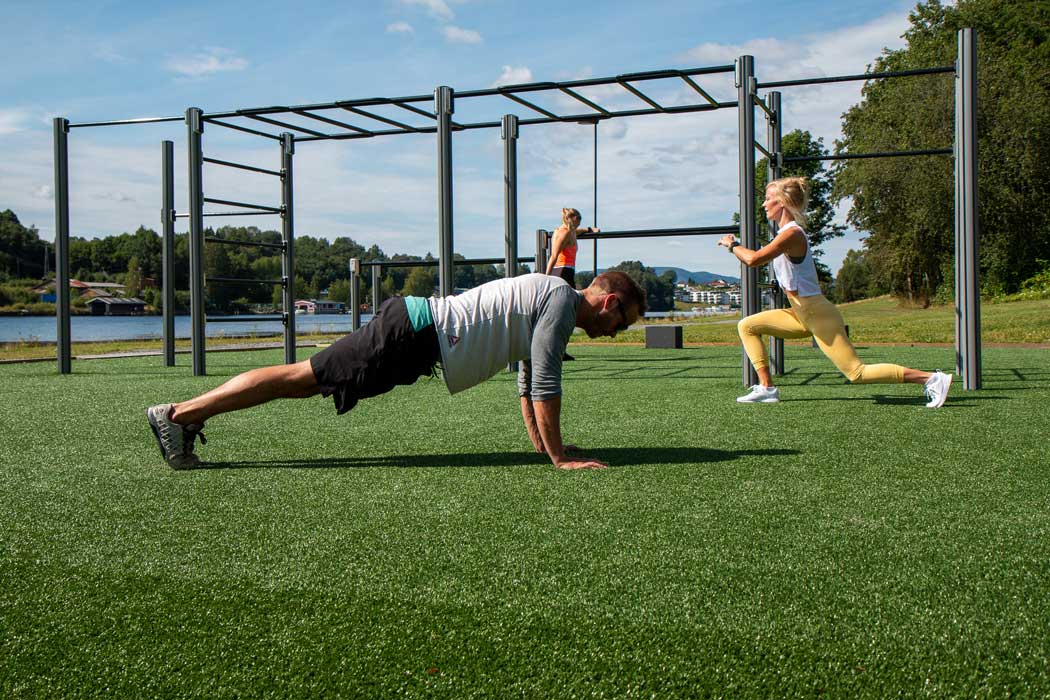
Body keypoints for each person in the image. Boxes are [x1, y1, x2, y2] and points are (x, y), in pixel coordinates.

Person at [147, 271, 646, 471]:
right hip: (412, 332)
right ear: (610, 303)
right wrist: (559, 460)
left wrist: (544, 447)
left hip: (416, 334)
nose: (618, 332)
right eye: (622, 323)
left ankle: (185, 416)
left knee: (304, 382)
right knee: (301, 379)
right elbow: (543, 383)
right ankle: (180, 413)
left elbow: (525, 376)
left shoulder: (551, 297)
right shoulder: (560, 302)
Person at [718, 176, 952, 408]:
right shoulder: (784, 234)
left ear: (782, 203)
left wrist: (733, 244)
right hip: (800, 313)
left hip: (817, 313)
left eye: (768, 199)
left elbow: (754, 259)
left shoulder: (792, 233)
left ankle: (932, 379)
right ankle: (767, 388)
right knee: (747, 325)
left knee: (856, 372)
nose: (764, 204)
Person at [545, 207, 599, 361]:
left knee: (565, 313)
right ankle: (558, 350)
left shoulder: (567, 231)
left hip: (566, 272)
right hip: (562, 273)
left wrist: (589, 229)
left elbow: (577, 232)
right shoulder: (565, 233)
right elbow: (554, 255)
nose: (579, 224)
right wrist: (545, 278)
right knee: (567, 313)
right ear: (573, 219)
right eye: (578, 221)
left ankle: (559, 350)